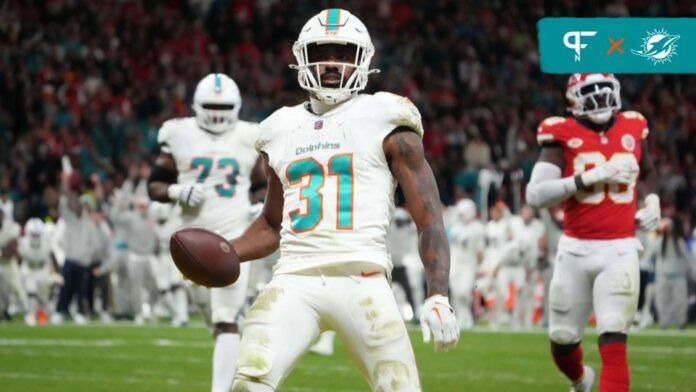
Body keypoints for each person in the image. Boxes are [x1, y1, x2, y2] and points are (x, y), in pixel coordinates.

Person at [227, 9, 458, 391]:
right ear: (301, 56)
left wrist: (438, 294)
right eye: (322, 51)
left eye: (343, 53)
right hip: (294, 279)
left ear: (362, 60)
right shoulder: (279, 128)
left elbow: (429, 218)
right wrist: (225, 250)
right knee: (249, 381)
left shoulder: (386, 117)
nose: (331, 62)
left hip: (362, 278)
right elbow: (272, 223)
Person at [526, 73, 660, 392]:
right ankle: (580, 380)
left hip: (620, 249)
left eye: (604, 93)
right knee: (561, 340)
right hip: (574, 249)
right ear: (573, 100)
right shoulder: (561, 133)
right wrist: (586, 178)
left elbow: (649, 173)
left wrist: (652, 201)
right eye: (591, 93)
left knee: (613, 335)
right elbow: (536, 195)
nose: (599, 100)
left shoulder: (632, 125)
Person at [148, 73, 264, 392]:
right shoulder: (179, 132)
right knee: (215, 320)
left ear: (237, 106)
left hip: (234, 239)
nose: (217, 112)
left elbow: (262, 184)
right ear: (197, 106)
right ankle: (240, 370)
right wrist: (176, 191)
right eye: (211, 105)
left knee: (226, 319)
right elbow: (154, 184)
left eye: (223, 106)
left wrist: (260, 205)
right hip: (192, 242)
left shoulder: (249, 135)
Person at [448, 198, 485, 329]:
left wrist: (480, 266)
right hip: (455, 263)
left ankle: (467, 316)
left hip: (469, 265)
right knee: (455, 291)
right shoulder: (454, 227)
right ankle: (461, 318)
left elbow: (480, 251)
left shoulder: (478, 228)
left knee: (464, 291)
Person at [651, 218, 692, 329]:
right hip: (663, 276)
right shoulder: (659, 242)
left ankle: (681, 322)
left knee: (680, 302)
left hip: (678, 276)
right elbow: (651, 253)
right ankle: (664, 323)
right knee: (662, 301)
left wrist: (691, 272)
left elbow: (688, 259)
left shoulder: (679, 242)